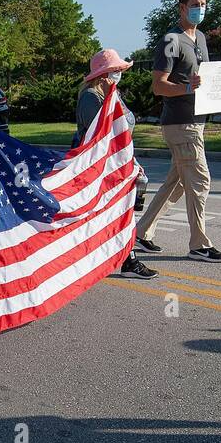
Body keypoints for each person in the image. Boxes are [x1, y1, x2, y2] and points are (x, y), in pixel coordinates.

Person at [136, 0, 221, 263]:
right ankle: (199, 245)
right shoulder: (171, 40)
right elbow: (159, 86)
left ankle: (141, 233)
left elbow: (203, 80)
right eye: (195, 4)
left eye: (204, 4)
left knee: (178, 183)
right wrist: (186, 89)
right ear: (182, 7)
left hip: (197, 122)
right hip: (181, 124)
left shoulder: (201, 39)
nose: (200, 9)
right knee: (200, 181)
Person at [72, 49, 158, 281]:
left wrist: (132, 161)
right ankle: (126, 260)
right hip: (101, 168)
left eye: (120, 70)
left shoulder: (111, 93)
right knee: (114, 213)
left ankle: (123, 258)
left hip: (116, 164)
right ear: (103, 74)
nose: (120, 73)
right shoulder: (92, 97)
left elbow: (122, 131)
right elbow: (102, 136)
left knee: (118, 212)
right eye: (116, 70)